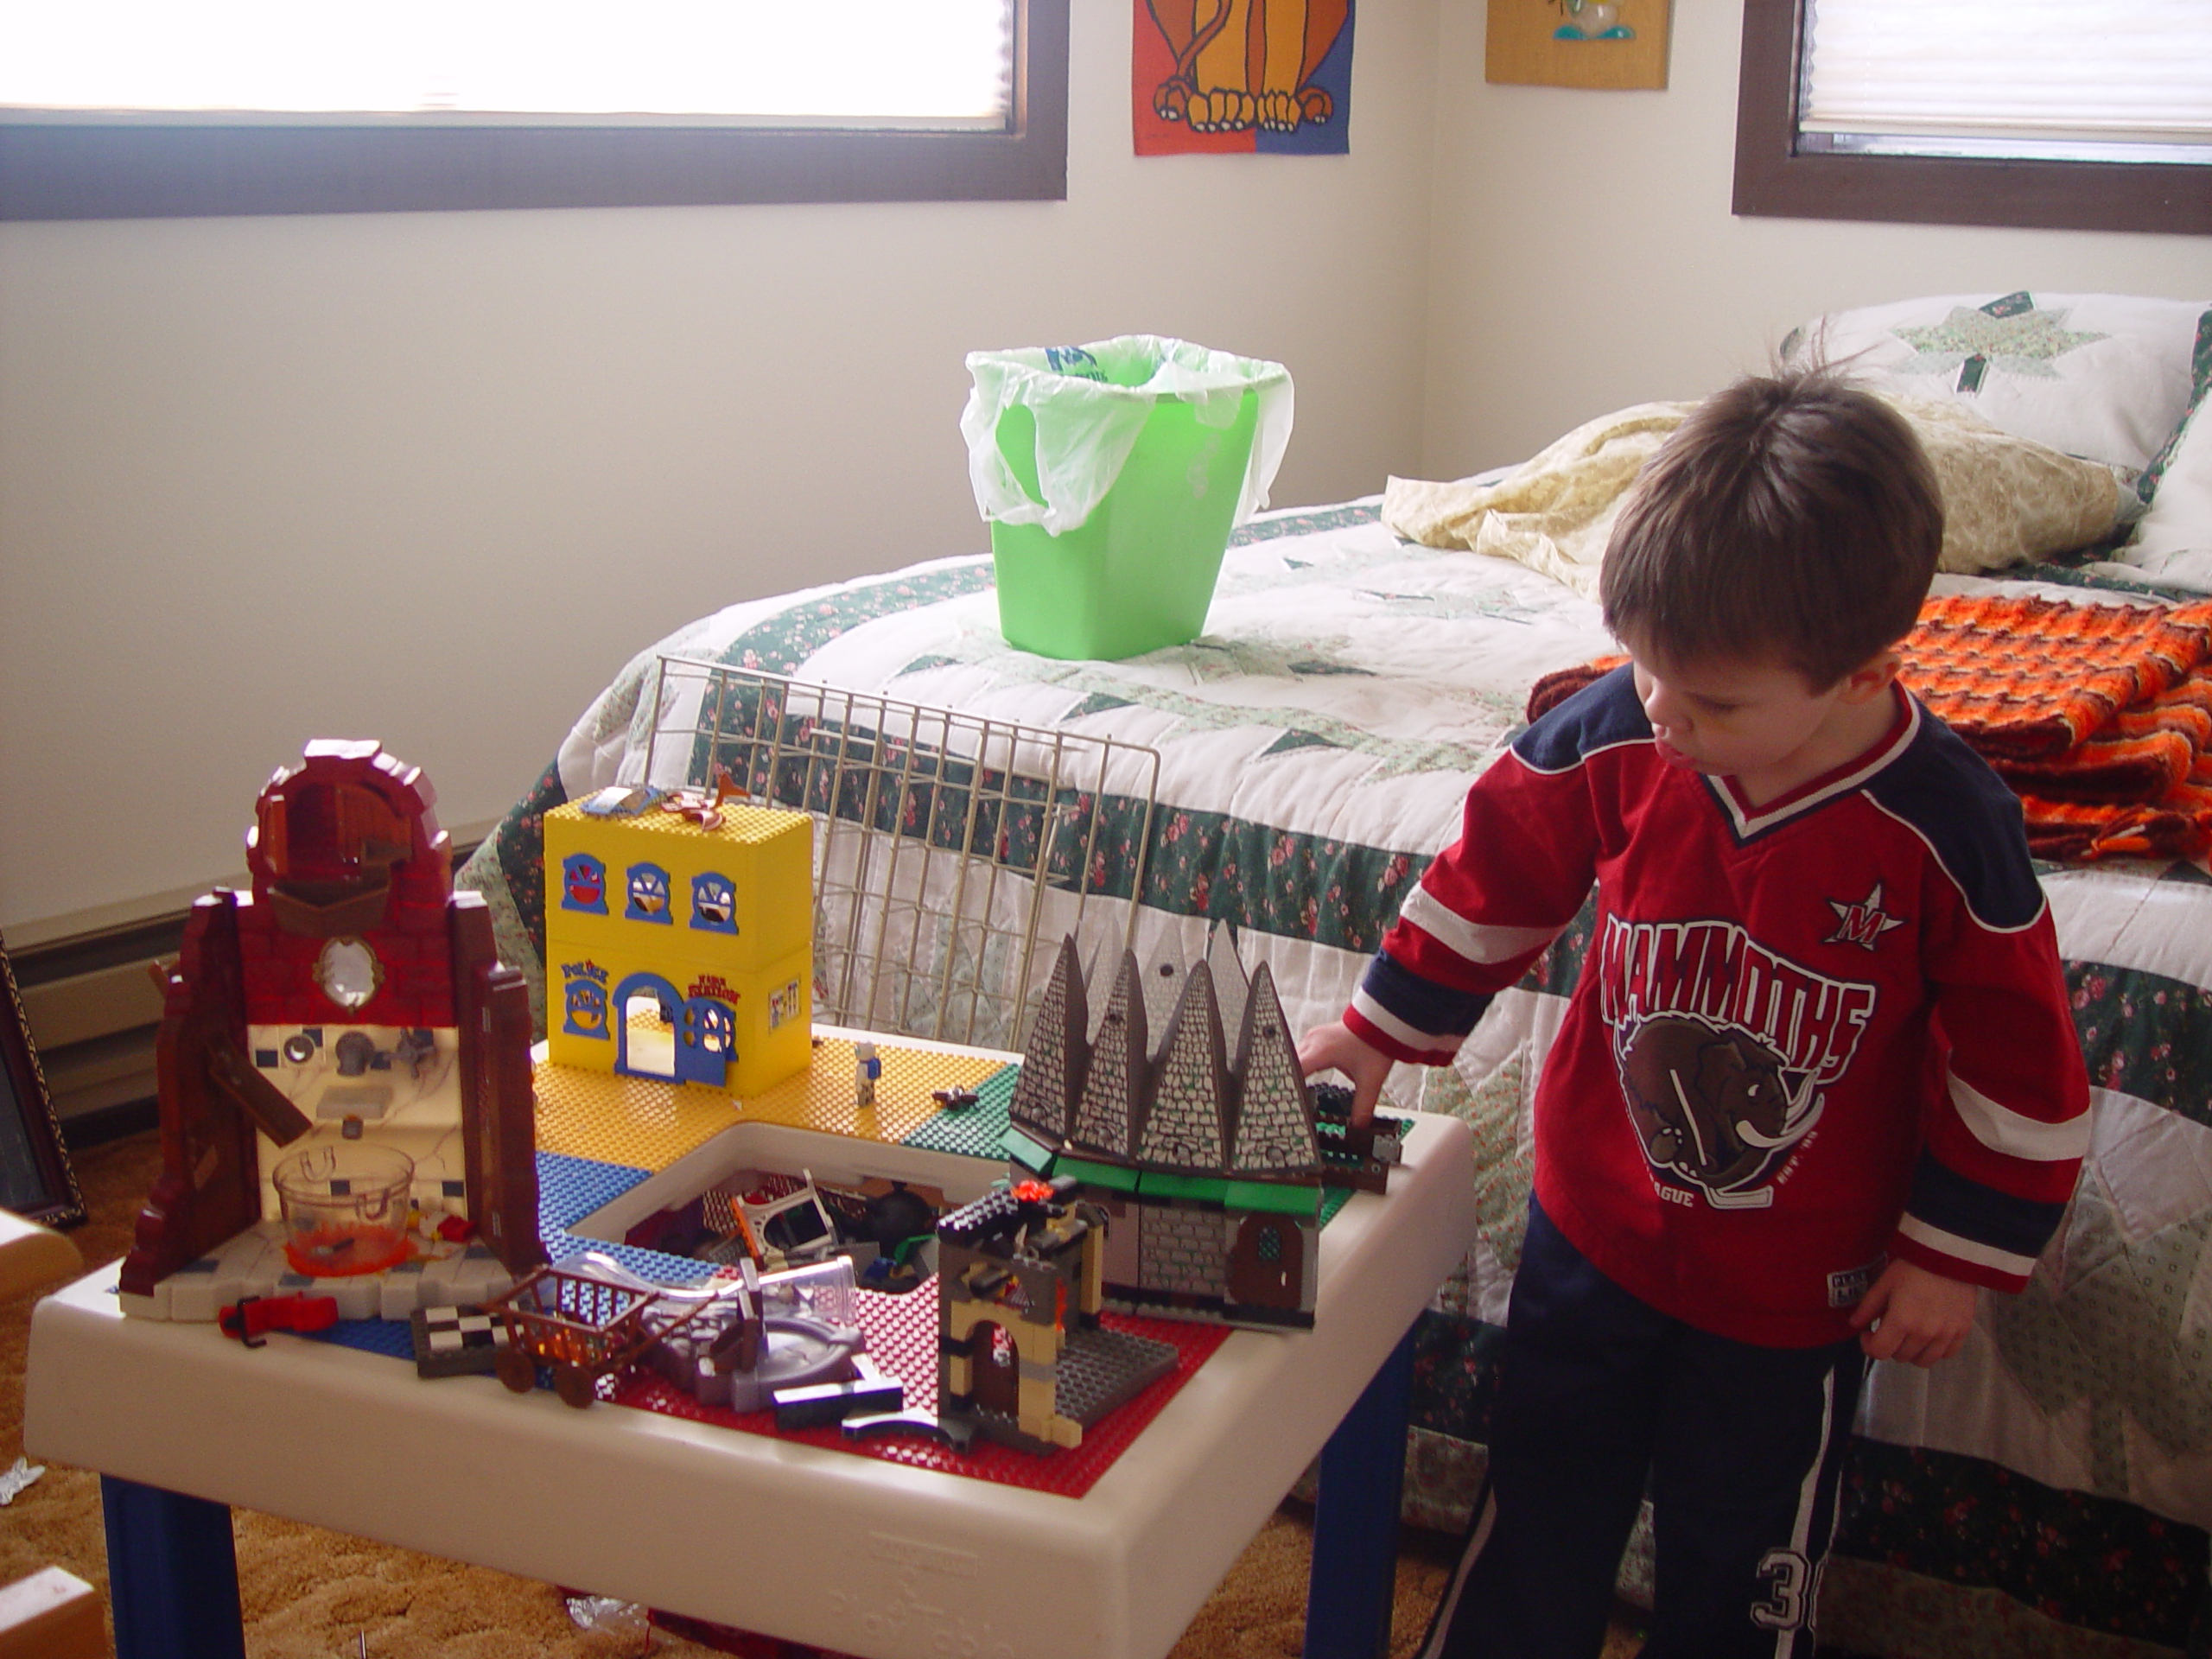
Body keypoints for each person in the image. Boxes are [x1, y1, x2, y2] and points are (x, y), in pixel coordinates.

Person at [1298, 368, 2089, 1659]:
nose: (1664, 715)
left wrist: (1955, 1252)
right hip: (1592, 1230)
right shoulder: (1620, 729)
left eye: (1713, 701)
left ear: (1866, 670)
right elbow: (1497, 874)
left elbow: (2021, 1059)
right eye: (1648, 670)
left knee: (1741, 1563)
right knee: (1541, 1507)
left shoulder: (1947, 823)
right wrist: (1383, 1023)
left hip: (1798, 1289)